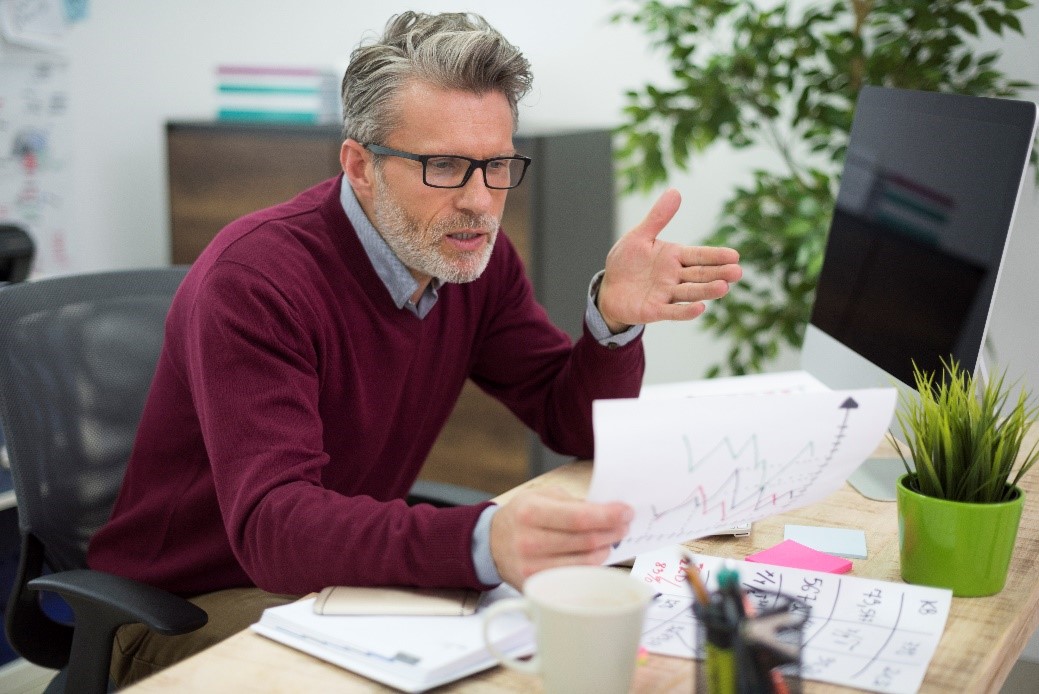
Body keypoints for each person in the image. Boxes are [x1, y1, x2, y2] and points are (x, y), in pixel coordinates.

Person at [87, 10, 742, 686]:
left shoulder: (470, 260)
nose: (480, 202)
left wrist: (611, 322)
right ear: (360, 166)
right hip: (186, 602)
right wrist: (482, 538)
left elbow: (569, 421)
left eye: (495, 166)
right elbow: (273, 527)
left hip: (334, 579)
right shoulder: (257, 281)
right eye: (444, 166)